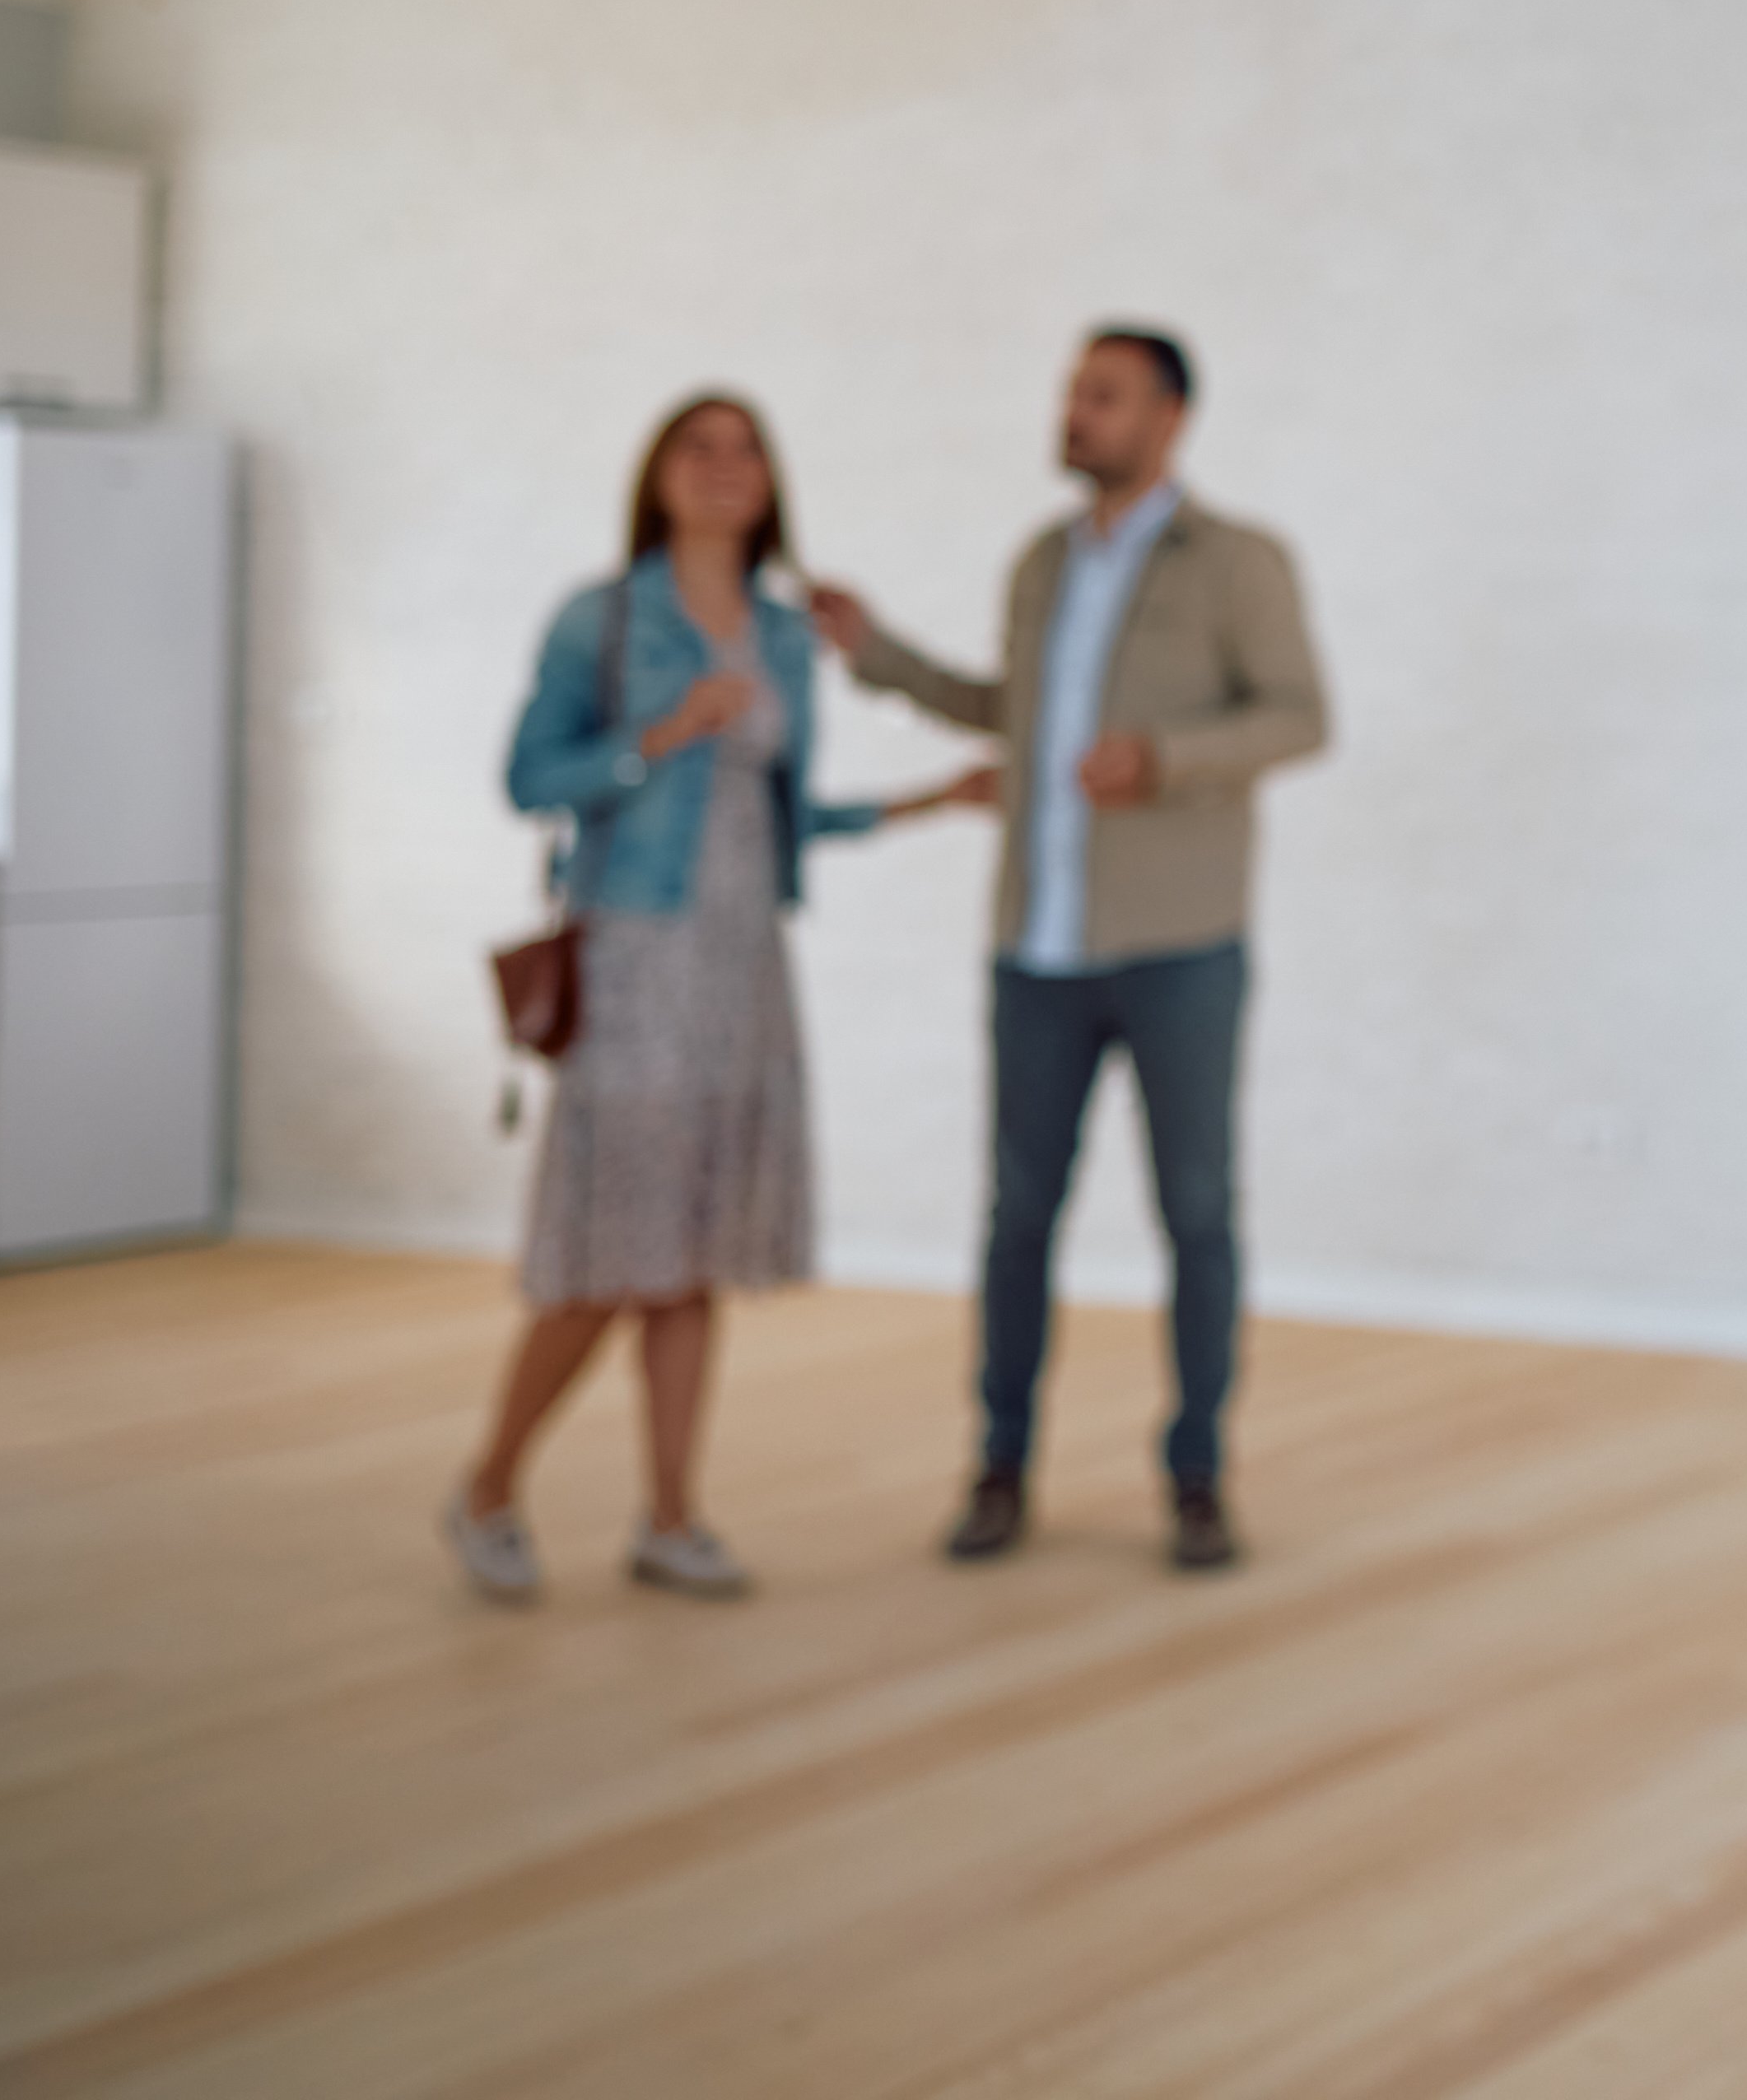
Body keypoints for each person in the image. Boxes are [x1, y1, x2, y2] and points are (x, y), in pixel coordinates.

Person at [808, 326, 1327, 1575]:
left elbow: (1300, 715)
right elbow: (1019, 712)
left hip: (1178, 947)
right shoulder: (1042, 563)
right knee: (1018, 1217)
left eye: (1102, 396)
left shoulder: (1238, 561)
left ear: (1170, 417)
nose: (1075, 414)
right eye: (1071, 393)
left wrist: (1166, 762)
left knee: (1196, 1213)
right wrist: (876, 656)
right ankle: (1000, 1468)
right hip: (1035, 949)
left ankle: (1198, 1477)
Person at [450, 393, 979, 1605]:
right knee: (608, 1254)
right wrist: (662, 732)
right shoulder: (605, 617)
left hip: (745, 965)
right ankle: (486, 1488)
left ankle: (672, 1517)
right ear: (658, 474)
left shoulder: (789, 639)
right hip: (637, 953)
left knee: (690, 1251)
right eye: (701, 447)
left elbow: (792, 814)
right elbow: (531, 777)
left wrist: (931, 802)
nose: (726, 469)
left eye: (748, 452)